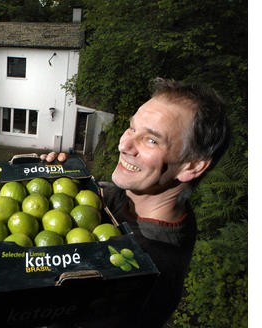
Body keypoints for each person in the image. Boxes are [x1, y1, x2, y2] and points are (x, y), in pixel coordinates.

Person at [44, 77, 231, 327]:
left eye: (151, 140)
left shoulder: (145, 273)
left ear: (192, 165)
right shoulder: (139, 197)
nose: (124, 144)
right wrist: (52, 180)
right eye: (132, 128)